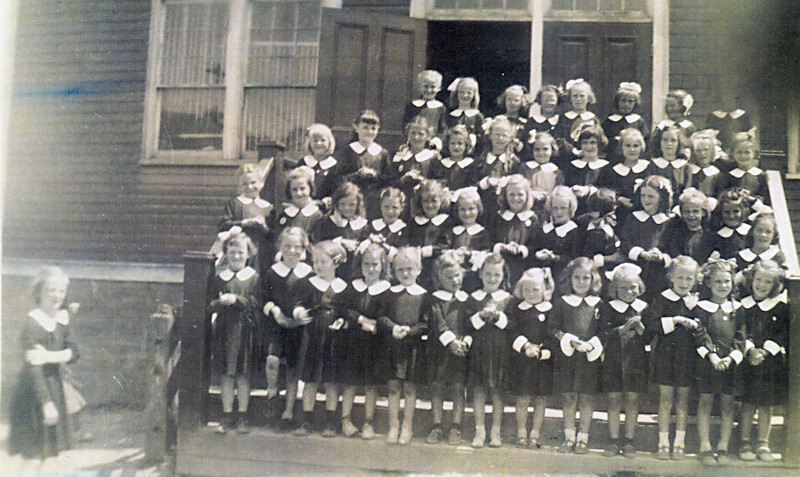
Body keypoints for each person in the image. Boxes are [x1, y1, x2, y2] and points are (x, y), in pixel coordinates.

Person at [9, 267, 78, 469]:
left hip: (56, 387)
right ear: (39, 292)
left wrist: (48, 356)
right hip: (35, 394)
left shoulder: (62, 319)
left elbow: (75, 352)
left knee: (54, 454)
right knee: (34, 457)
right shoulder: (33, 323)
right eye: (51, 290)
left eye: (61, 291)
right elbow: (34, 370)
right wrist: (46, 403)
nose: (57, 295)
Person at [333, 243, 391, 439]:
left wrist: (375, 323)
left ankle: (368, 422)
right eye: (367, 264)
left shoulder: (386, 289)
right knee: (350, 383)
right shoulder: (354, 286)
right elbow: (344, 307)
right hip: (353, 341)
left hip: (375, 343)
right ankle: (345, 420)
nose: (371, 269)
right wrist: (360, 319)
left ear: (382, 265)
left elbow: (386, 313)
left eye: (375, 264)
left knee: (370, 385)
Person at [644, 255, 700, 460]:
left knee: (683, 402)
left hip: (687, 358)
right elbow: (652, 325)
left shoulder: (696, 301)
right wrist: (675, 320)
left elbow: (703, 328)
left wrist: (695, 322)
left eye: (689, 279)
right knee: (666, 401)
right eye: (680, 278)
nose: (684, 283)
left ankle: (679, 443)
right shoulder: (662, 299)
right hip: (665, 357)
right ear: (671, 278)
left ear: (695, 280)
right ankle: (663, 443)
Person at [292, 241, 349, 437]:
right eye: (315, 261)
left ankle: (331, 422)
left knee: (331, 381)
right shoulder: (308, 284)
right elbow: (299, 304)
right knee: (310, 380)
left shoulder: (343, 287)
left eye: (323, 262)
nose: (317, 266)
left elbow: (346, 312)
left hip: (334, 338)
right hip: (313, 335)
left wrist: (342, 321)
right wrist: (299, 312)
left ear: (335, 262)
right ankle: (306, 420)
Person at [209, 232, 263, 434]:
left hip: (245, 330)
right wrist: (220, 303)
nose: (236, 256)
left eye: (241, 252)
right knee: (227, 374)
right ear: (226, 254)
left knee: (242, 374)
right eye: (232, 252)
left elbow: (257, 303)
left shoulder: (254, 278)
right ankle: (226, 415)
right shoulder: (219, 278)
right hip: (225, 330)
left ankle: (242, 415)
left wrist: (237, 300)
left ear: (248, 254)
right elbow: (210, 304)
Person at [548, 257, 604, 454]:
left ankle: (583, 438)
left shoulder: (598, 304)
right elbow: (553, 328)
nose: (581, 282)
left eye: (586, 278)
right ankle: (569, 437)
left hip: (589, 357)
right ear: (569, 279)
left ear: (593, 279)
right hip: (568, 356)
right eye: (577, 277)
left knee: (587, 398)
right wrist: (569, 339)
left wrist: (592, 344)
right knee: (569, 397)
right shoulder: (561, 303)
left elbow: (604, 331)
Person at [694, 259, 746, 466]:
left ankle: (723, 446)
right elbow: (700, 334)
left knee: (727, 405)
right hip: (708, 363)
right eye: (718, 282)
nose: (723, 286)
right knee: (705, 402)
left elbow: (741, 336)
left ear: (732, 283)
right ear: (708, 283)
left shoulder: (738, 308)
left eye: (726, 281)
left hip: (731, 364)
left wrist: (730, 358)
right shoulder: (702, 307)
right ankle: (705, 446)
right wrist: (713, 356)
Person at [262, 227, 313, 430]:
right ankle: (272, 393)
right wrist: (275, 312)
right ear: (280, 247)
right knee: (272, 360)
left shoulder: (308, 274)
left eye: (297, 247)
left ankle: (288, 412)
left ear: (304, 249)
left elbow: (310, 300)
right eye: (287, 246)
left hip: (298, 327)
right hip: (277, 324)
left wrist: (302, 316)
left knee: (293, 370)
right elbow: (264, 298)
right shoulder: (272, 272)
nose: (292, 251)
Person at [737, 260, 788, 463]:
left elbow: (782, 333)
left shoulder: (779, 308)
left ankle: (763, 443)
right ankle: (744, 442)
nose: (762, 285)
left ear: (774, 285)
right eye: (759, 280)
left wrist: (765, 352)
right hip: (748, 360)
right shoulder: (743, 305)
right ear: (752, 281)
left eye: (768, 282)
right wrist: (750, 350)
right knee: (748, 403)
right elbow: (739, 330)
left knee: (766, 404)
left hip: (769, 364)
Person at [379, 247, 429, 445]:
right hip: (393, 346)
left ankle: (407, 426)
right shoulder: (390, 294)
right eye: (400, 270)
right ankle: (393, 426)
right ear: (394, 271)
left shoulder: (424, 295)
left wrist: (410, 331)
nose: (405, 273)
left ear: (418, 269)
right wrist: (393, 328)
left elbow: (426, 323)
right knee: (393, 387)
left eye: (410, 268)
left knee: (409, 388)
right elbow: (381, 317)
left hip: (413, 347)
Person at [599, 263, 649, 458]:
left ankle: (629, 440)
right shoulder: (609, 308)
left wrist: (640, 328)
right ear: (614, 289)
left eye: (633, 287)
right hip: (614, 358)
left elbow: (650, 336)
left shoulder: (643, 307)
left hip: (635, 359)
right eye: (623, 288)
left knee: (632, 399)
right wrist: (622, 329)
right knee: (613, 399)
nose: (629, 292)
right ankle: (612, 440)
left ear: (640, 287)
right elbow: (603, 333)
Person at [466, 253, 512, 448]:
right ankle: (479, 431)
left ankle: (495, 431)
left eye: (496, 275)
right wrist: (481, 316)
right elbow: (467, 323)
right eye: (488, 274)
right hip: (479, 349)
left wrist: (498, 317)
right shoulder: (474, 297)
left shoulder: (508, 298)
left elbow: (512, 325)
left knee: (497, 392)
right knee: (479, 390)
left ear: (503, 276)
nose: (492, 279)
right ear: (481, 275)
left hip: (499, 350)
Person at [425, 251, 471, 446]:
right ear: (439, 278)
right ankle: (437, 426)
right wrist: (452, 342)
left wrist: (465, 342)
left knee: (459, 388)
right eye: (448, 277)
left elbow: (470, 324)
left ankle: (456, 427)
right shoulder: (434, 299)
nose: (453, 280)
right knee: (437, 387)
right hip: (440, 349)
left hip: (461, 350)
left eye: (456, 276)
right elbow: (438, 323)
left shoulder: (466, 299)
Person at [507, 267, 556, 449]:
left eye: (535, 290)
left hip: (543, 360)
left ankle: (535, 434)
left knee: (540, 399)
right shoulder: (518, 308)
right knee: (523, 398)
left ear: (544, 289)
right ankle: (521, 433)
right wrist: (526, 346)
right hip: (523, 359)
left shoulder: (550, 309)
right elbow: (512, 330)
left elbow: (553, 333)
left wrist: (543, 351)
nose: (530, 294)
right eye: (526, 290)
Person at [616, 175, 673, 300]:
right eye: (643, 196)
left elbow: (674, 248)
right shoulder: (633, 218)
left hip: (659, 273)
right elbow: (625, 242)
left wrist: (661, 257)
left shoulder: (670, 222)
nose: (646, 199)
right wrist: (641, 253)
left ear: (662, 198)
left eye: (651, 196)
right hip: (635, 271)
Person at [216, 163, 272, 275]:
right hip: (239, 251)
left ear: (262, 183)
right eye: (244, 184)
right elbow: (223, 225)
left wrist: (264, 227)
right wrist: (244, 223)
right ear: (239, 186)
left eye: (253, 183)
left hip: (261, 252)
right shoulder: (235, 204)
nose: (249, 187)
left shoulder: (268, 207)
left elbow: (272, 234)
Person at [312, 181, 368, 280]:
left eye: (351, 205)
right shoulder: (326, 222)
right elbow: (319, 246)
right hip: (331, 273)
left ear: (358, 205)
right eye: (343, 204)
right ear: (336, 204)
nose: (347, 208)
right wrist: (341, 242)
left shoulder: (363, 225)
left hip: (354, 273)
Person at [491, 174, 540, 285]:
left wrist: (522, 249)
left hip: (523, 265)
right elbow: (490, 240)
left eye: (520, 194)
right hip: (500, 264)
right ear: (505, 196)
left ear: (527, 195)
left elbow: (536, 244)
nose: (516, 198)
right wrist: (501, 247)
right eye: (511, 195)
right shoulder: (499, 217)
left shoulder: (533, 218)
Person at [441, 187, 492, 292]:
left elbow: (485, 254)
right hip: (454, 275)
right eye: (462, 209)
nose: (467, 213)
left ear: (478, 209)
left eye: (471, 209)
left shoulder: (482, 232)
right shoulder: (453, 231)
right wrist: (455, 254)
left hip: (474, 276)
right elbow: (445, 249)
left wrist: (469, 255)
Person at [344, 110, 390, 220]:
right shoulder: (348, 151)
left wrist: (374, 174)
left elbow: (388, 179)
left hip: (375, 201)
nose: (369, 131)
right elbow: (340, 177)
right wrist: (357, 175)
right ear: (356, 128)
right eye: (365, 127)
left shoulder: (382, 153)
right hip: (353, 199)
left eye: (373, 128)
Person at [530, 185, 581, 281]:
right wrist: (538, 254)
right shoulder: (543, 229)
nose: (559, 212)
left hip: (563, 277)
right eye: (555, 208)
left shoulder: (574, 231)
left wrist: (554, 257)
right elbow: (533, 249)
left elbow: (574, 258)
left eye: (563, 208)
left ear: (570, 208)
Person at [408, 179, 450, 291]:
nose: (430, 205)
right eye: (426, 201)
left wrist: (424, 251)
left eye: (434, 201)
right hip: (418, 269)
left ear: (441, 201)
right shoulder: (414, 223)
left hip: (439, 268)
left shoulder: (446, 222)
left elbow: (447, 245)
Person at [476, 116, 521, 220]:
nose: (500, 139)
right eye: (497, 135)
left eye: (504, 135)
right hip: (482, 209)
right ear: (490, 135)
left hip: (506, 210)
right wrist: (485, 183)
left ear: (510, 138)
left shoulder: (514, 162)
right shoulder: (480, 161)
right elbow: (471, 184)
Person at [597, 128, 651, 214]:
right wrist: (619, 199)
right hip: (618, 214)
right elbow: (602, 193)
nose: (632, 149)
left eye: (636, 146)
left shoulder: (649, 168)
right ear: (621, 147)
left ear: (641, 147)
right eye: (628, 145)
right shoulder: (610, 170)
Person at [661, 188, 713, 264]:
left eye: (695, 211)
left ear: (703, 212)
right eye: (687, 211)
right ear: (682, 213)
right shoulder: (676, 233)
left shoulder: (708, 236)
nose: (691, 215)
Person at [601, 82, 649, 163]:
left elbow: (645, 141)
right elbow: (603, 142)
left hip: (633, 160)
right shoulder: (609, 121)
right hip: (613, 159)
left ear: (635, 103)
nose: (626, 104)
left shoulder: (639, 121)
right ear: (617, 101)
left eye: (630, 101)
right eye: (623, 100)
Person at [296, 123, 342, 200]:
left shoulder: (335, 166)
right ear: (309, 143)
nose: (318, 143)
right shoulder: (303, 162)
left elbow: (338, 192)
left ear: (329, 142)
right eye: (315, 140)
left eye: (323, 140)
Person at [555, 79, 601, 155]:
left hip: (587, 156)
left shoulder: (593, 118)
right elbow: (558, 138)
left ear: (588, 98)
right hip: (567, 156)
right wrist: (573, 150)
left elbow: (599, 139)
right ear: (570, 98)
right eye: (575, 96)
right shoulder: (564, 118)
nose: (578, 99)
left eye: (582, 96)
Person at [520, 131, 564, 210]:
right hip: (527, 207)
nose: (541, 153)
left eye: (545, 149)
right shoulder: (525, 168)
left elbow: (558, 192)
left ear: (552, 150)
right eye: (537, 149)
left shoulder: (556, 172)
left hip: (547, 209)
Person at [403, 70, 447, 145]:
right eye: (425, 86)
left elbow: (442, 130)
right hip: (414, 142)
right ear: (420, 87)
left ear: (439, 88)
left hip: (431, 144)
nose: (429, 90)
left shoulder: (441, 108)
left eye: (433, 87)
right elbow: (406, 126)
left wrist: (435, 142)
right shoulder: (412, 106)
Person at [724, 131, 769, 205]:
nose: (743, 156)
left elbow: (765, 198)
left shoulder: (760, 175)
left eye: (747, 152)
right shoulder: (728, 176)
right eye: (739, 152)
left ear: (754, 153)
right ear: (733, 154)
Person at [276, 166, 323, 235]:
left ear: (310, 188)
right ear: (289, 191)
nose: (299, 193)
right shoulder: (285, 214)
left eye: (302, 188)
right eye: (294, 189)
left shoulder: (317, 215)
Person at [707, 189, 752, 260]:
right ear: (721, 213)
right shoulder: (717, 235)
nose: (731, 216)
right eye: (727, 212)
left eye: (736, 211)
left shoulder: (750, 231)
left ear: (743, 211)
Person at [649, 124, 691, 198]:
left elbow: (687, 192)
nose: (669, 144)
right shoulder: (653, 165)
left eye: (673, 140)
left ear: (679, 143)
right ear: (659, 142)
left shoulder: (685, 167)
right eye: (665, 140)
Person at [653, 90, 696, 158]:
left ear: (683, 107)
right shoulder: (662, 126)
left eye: (672, 106)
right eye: (667, 105)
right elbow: (654, 146)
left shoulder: (689, 127)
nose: (669, 109)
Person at [446, 77, 485, 150]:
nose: (465, 95)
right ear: (456, 93)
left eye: (469, 93)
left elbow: (481, 138)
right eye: (462, 92)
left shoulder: (477, 116)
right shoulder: (451, 115)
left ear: (474, 95)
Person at [437, 125, 479, 193]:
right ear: (447, 144)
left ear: (466, 145)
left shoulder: (471, 165)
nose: (456, 147)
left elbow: (473, 186)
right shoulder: (442, 164)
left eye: (460, 143)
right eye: (453, 143)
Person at [688, 130, 726, 199]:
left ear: (711, 151)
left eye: (706, 149)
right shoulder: (688, 171)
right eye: (698, 150)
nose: (702, 154)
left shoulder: (717, 175)